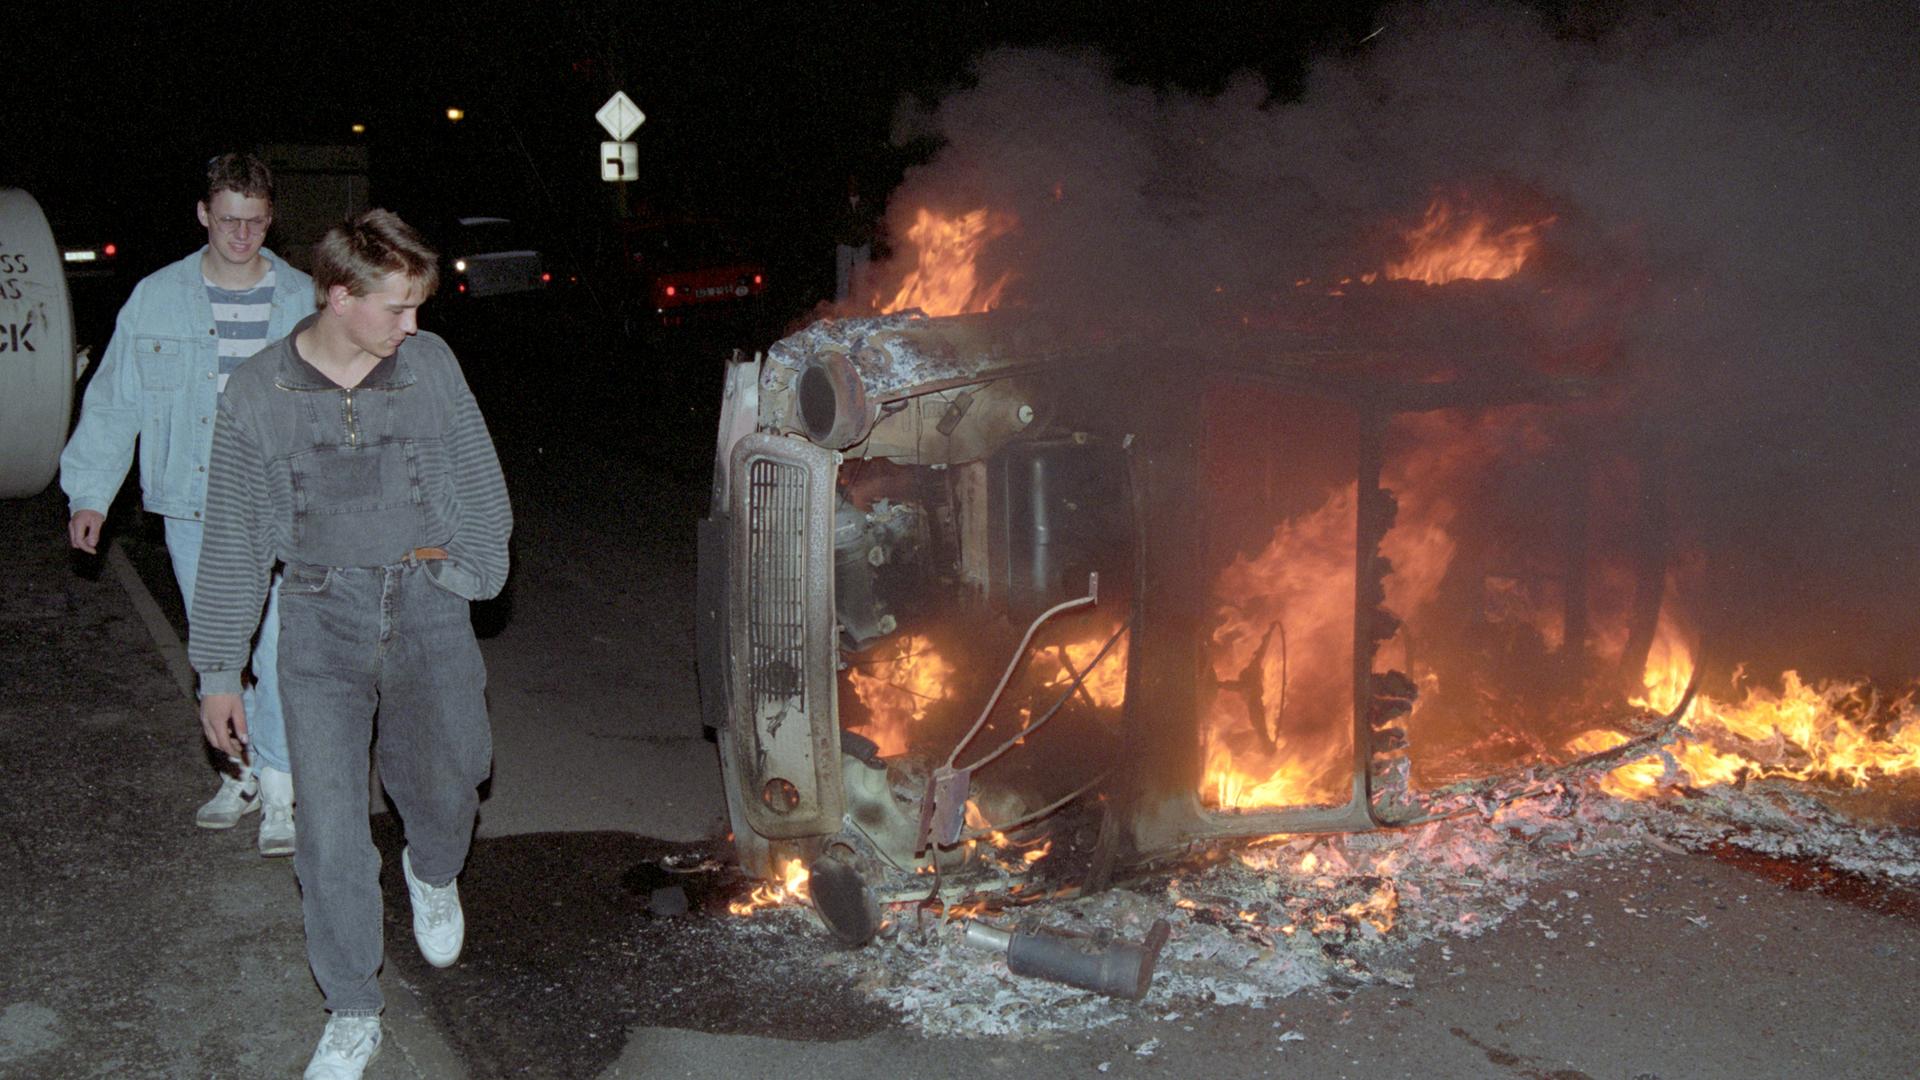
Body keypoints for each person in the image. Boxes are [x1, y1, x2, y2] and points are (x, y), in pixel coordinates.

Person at [187, 208, 511, 1080]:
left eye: (418, 308)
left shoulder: (429, 366)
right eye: (399, 309)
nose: (415, 326)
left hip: (427, 601)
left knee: (456, 773)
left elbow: (479, 474)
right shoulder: (261, 392)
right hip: (322, 617)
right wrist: (220, 670)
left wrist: (470, 574)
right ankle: (352, 1005)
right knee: (329, 827)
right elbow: (234, 538)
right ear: (338, 297)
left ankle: (433, 871)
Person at [60, 152, 313, 856]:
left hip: (280, 503)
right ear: (204, 213)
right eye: (228, 220)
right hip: (195, 503)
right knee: (219, 651)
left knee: (284, 645)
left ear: (271, 219)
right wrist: (90, 492)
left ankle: (282, 785)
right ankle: (241, 775)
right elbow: (116, 401)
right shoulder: (156, 298)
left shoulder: (302, 299)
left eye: (256, 222)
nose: (241, 236)